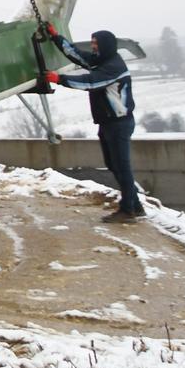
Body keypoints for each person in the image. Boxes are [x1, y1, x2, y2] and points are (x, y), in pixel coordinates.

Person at [44, 25, 142, 222]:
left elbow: (90, 82)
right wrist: (56, 37)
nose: (93, 48)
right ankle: (135, 205)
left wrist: (59, 79)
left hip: (119, 124)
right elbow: (78, 56)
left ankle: (128, 210)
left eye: (96, 44)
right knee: (113, 165)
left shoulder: (112, 68)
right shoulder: (103, 61)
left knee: (122, 167)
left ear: (105, 46)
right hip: (108, 123)